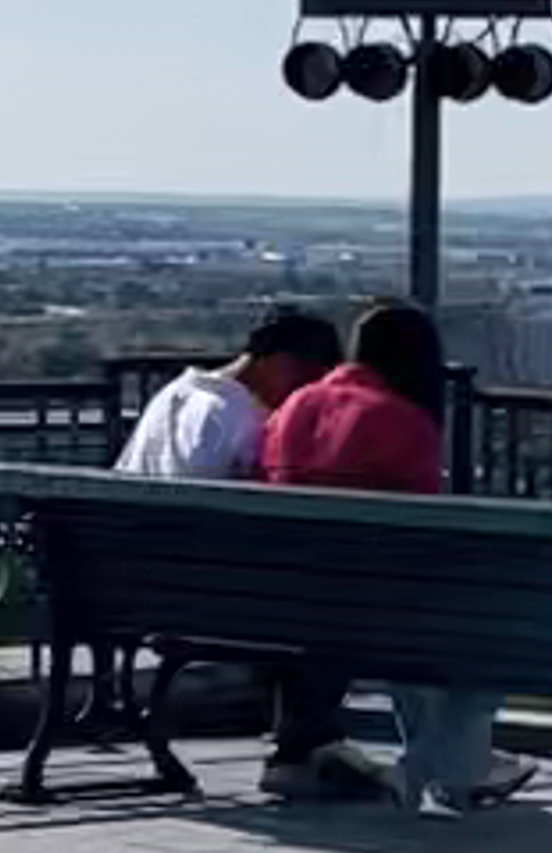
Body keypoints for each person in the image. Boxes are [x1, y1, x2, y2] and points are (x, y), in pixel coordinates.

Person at [257, 298, 524, 809]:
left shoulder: (295, 407)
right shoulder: (403, 423)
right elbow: (423, 533)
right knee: (481, 627)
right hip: (368, 607)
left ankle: (445, 762)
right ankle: (454, 765)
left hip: (282, 598)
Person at [116, 303, 338, 481]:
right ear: (279, 358)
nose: (307, 389)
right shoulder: (243, 418)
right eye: (306, 373)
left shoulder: (173, 393)